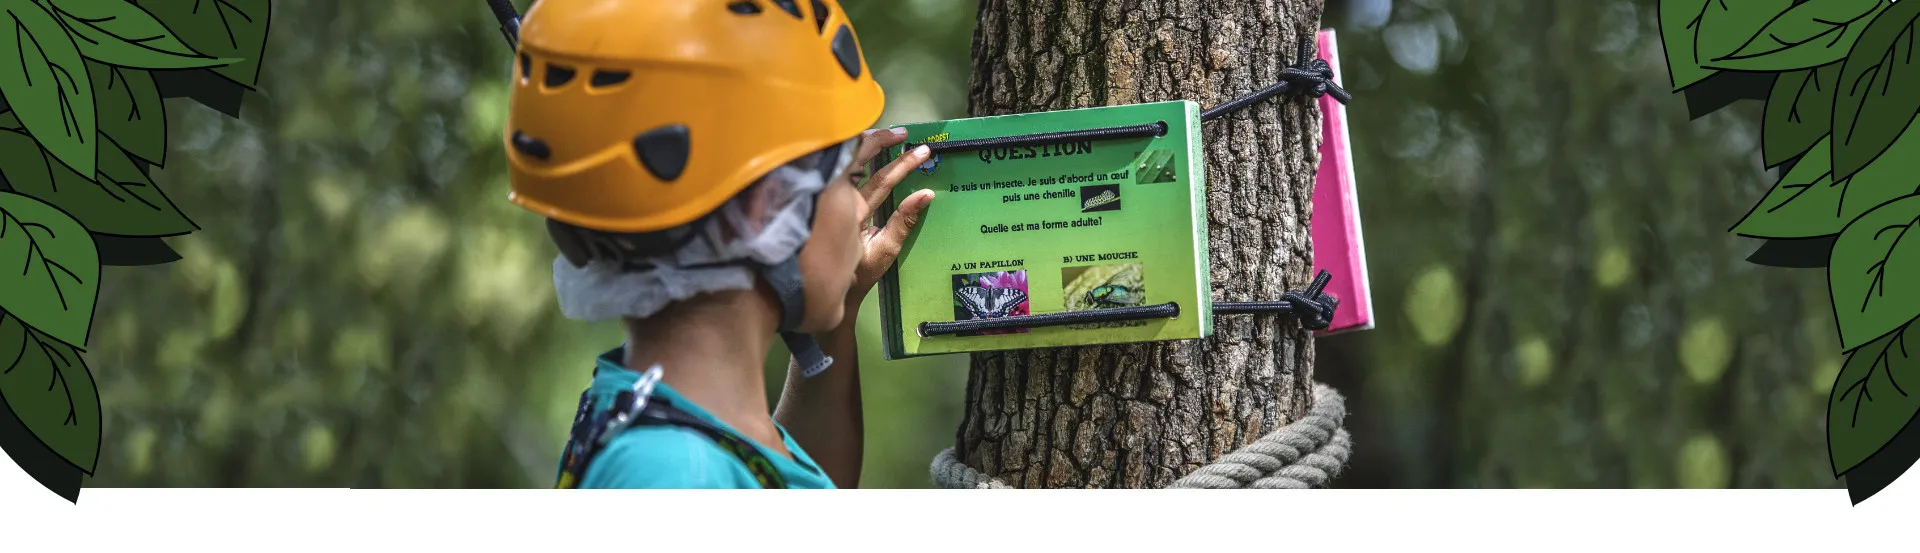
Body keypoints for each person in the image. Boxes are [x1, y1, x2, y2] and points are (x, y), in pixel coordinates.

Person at [500, 0, 937, 489]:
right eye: (849, 179)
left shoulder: (677, 423)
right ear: (765, 208)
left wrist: (839, 296)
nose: (861, 209)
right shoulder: (668, 476)